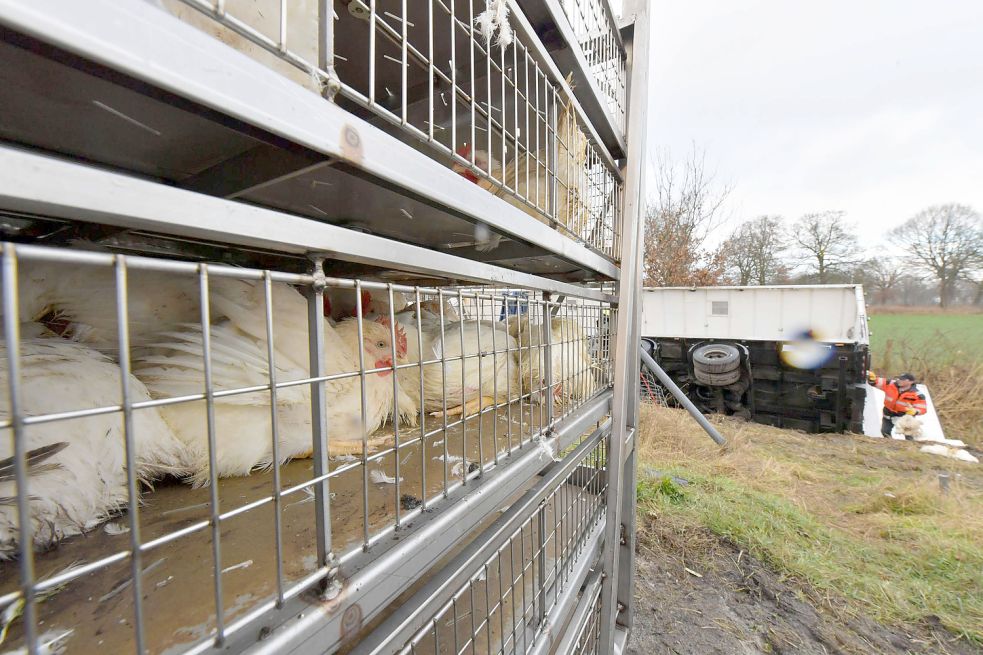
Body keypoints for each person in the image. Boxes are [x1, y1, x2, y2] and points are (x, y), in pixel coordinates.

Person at [867, 371, 927, 438]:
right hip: (888, 413)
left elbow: (922, 409)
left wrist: (915, 411)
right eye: (899, 378)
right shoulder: (890, 384)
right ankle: (889, 443)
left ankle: (909, 446)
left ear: (911, 382)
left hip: (905, 416)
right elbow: (876, 382)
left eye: (903, 379)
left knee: (909, 435)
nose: (899, 380)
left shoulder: (918, 395)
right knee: (885, 431)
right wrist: (872, 379)